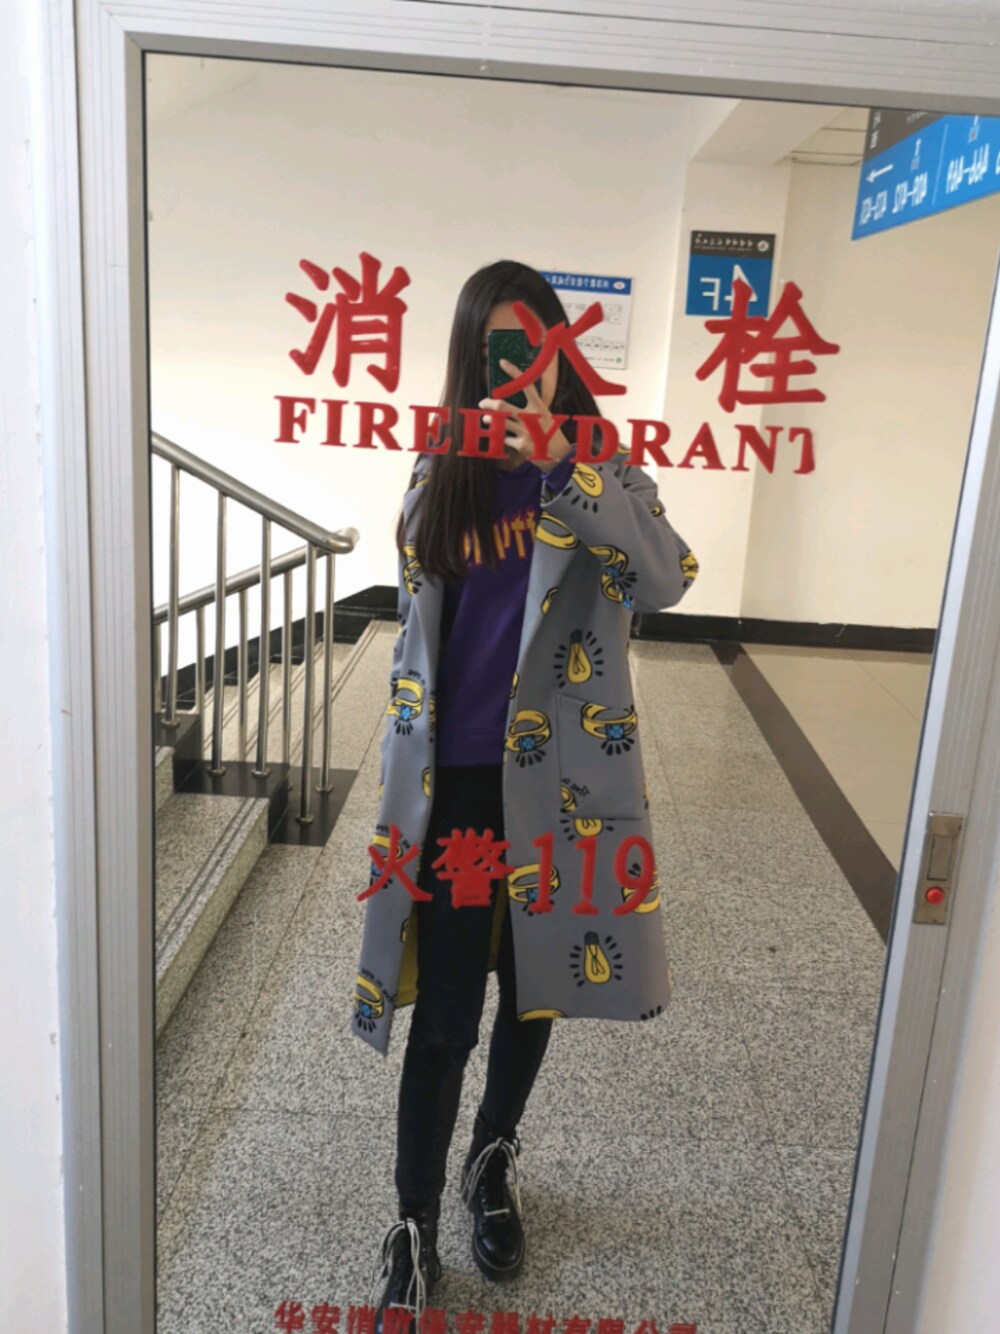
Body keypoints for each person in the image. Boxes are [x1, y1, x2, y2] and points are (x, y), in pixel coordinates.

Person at [352, 260, 698, 1325]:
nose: (517, 370)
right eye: (495, 351)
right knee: (447, 1013)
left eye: (534, 347)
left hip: (558, 790)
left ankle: (490, 1159)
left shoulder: (602, 467)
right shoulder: (441, 470)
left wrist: (565, 466)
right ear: (470, 363)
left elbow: (665, 576)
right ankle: (413, 1216)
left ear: (560, 354)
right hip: (457, 786)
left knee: (534, 985)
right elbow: (417, 615)